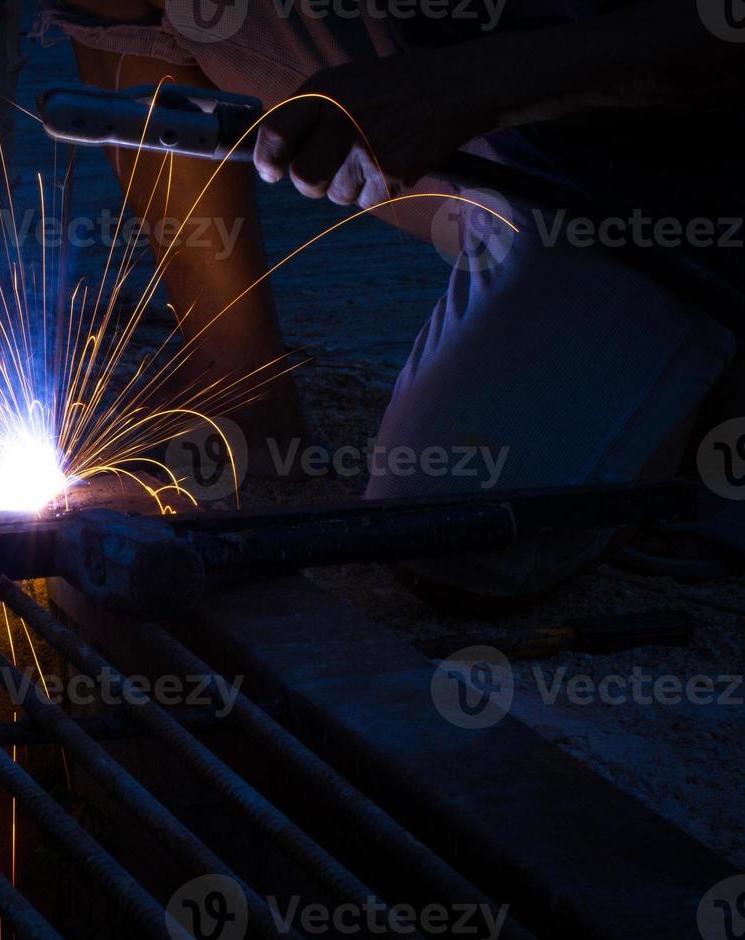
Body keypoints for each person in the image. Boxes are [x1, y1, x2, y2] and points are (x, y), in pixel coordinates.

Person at [44, 0, 743, 602]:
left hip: (662, 177)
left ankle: (689, 386)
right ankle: (240, 387)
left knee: (455, 530)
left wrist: (466, 87)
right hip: (460, 76)